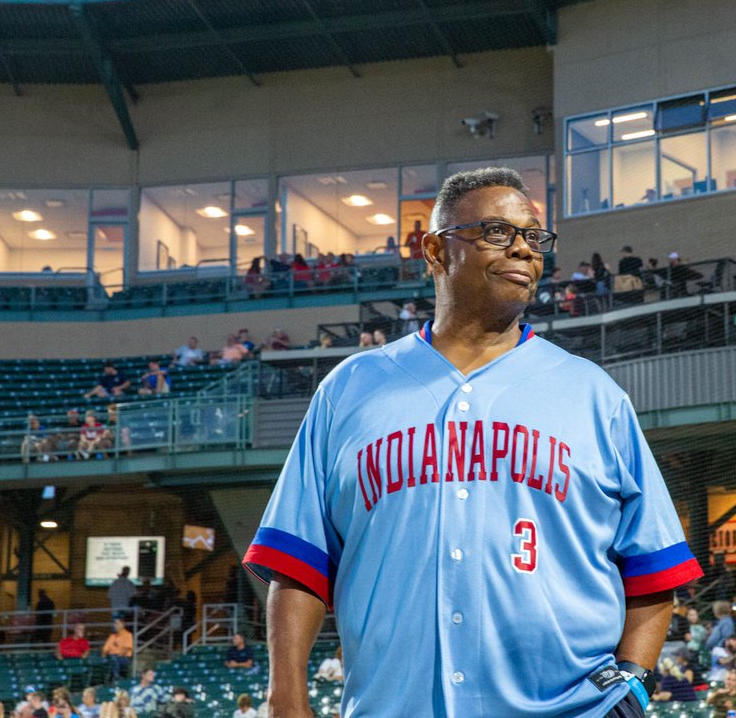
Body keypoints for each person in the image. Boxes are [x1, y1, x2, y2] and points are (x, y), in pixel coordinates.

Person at [243, 167, 702, 718]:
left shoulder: (592, 394)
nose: (524, 250)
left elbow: (653, 571)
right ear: (435, 251)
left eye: (534, 237)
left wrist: (631, 687)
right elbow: (299, 564)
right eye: (497, 232)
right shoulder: (349, 390)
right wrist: (284, 698)